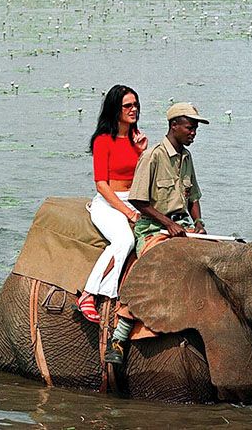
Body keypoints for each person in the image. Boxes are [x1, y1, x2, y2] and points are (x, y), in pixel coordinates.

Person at [105, 101, 209, 365]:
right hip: (153, 227)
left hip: (181, 227)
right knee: (154, 265)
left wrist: (198, 222)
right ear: (174, 125)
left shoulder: (187, 158)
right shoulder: (152, 156)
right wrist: (167, 224)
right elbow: (139, 200)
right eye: (190, 127)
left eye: (196, 128)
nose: (193, 132)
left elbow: (193, 197)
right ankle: (120, 334)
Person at [77, 85, 147, 325]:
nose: (133, 109)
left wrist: (142, 152)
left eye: (136, 105)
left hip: (135, 199)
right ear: (115, 109)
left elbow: (142, 179)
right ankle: (89, 293)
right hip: (108, 203)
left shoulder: (136, 139)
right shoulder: (102, 140)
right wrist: (128, 212)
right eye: (128, 105)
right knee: (124, 240)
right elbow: (102, 185)